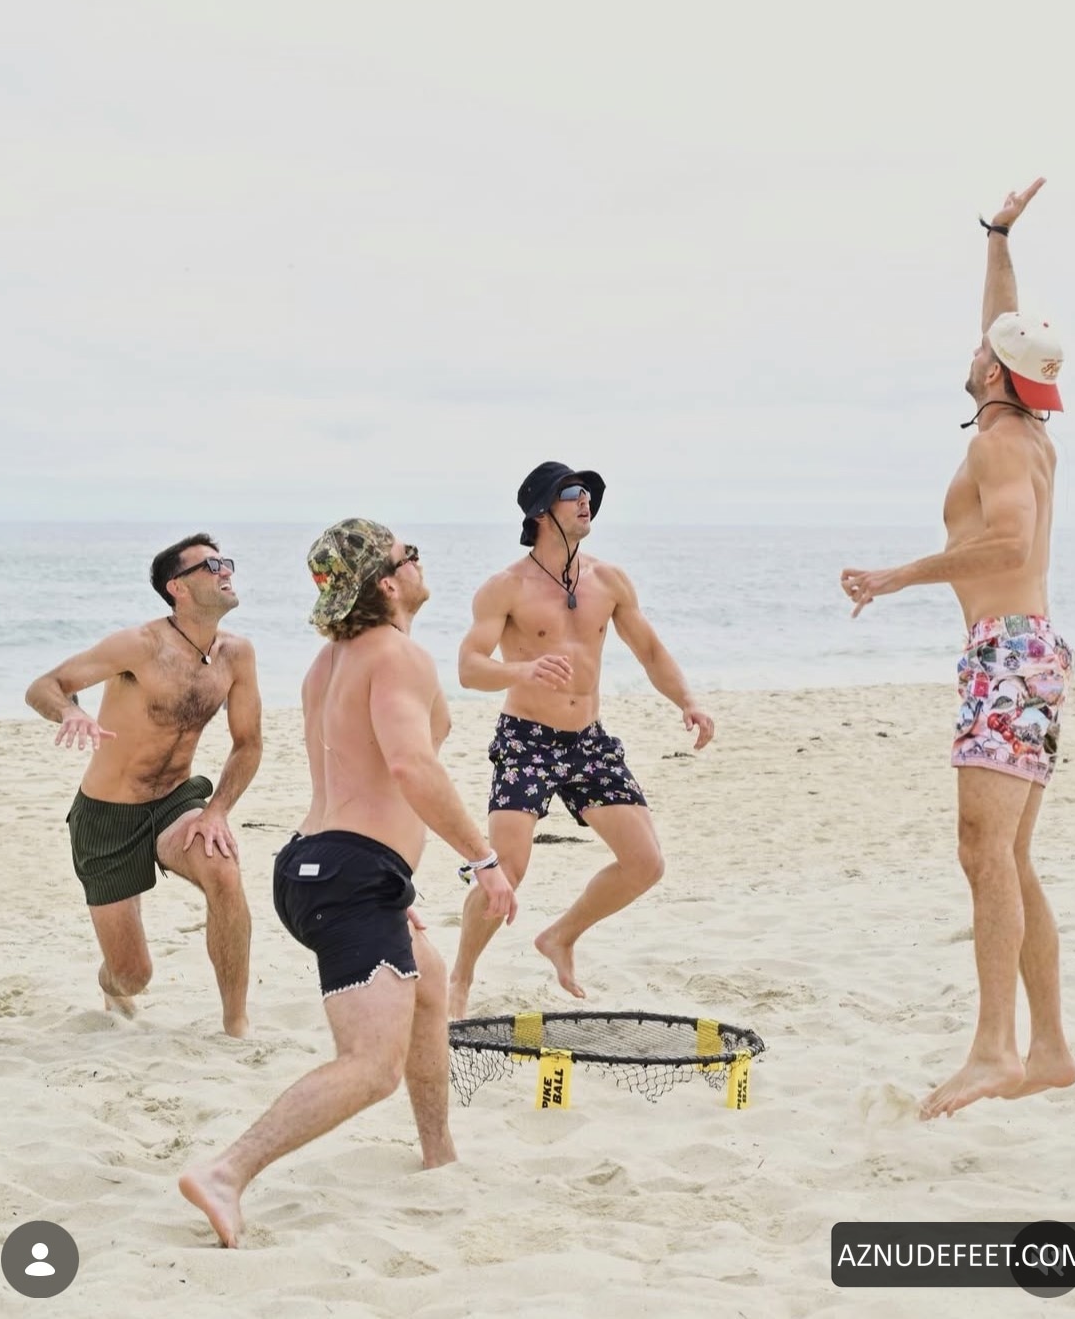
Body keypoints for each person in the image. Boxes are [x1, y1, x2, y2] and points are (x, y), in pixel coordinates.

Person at [180, 519, 516, 1248]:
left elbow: (361, 776)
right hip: (350, 876)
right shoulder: (396, 653)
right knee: (370, 1067)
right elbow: (409, 766)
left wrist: (393, 889)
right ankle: (227, 1172)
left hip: (317, 863)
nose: (420, 560)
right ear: (386, 583)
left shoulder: (327, 662)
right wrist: (482, 860)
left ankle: (439, 1155)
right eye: (408, 554)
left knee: (427, 981)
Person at [840, 177, 1075, 1120]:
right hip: (1026, 653)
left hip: (1008, 656)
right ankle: (1047, 1046)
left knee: (983, 852)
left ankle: (995, 1049)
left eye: (982, 351)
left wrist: (898, 575)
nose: (974, 348)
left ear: (992, 375)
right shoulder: (1017, 421)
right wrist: (997, 236)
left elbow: (1009, 543)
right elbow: (1003, 328)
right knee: (1006, 856)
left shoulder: (999, 445)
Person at [448, 461, 715, 1018]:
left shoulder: (609, 580)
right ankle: (461, 978)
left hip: (588, 742)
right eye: (571, 493)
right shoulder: (506, 588)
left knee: (645, 864)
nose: (585, 500)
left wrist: (687, 701)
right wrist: (521, 671)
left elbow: (650, 651)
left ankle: (560, 937)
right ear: (541, 512)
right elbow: (469, 669)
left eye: (587, 492)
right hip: (527, 740)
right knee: (507, 870)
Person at [25, 534, 261, 1037]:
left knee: (223, 870)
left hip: (175, 801)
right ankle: (112, 985)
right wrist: (70, 713)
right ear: (178, 587)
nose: (225, 570)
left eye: (226, 562)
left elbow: (248, 744)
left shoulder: (236, 655)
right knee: (133, 976)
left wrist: (217, 810)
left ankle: (235, 1025)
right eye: (210, 565)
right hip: (107, 816)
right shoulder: (140, 645)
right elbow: (44, 686)